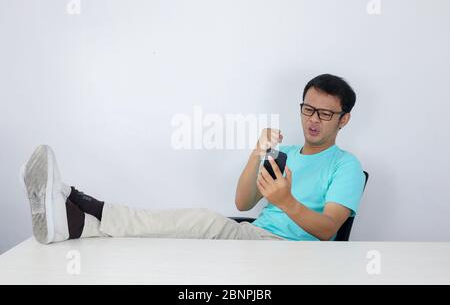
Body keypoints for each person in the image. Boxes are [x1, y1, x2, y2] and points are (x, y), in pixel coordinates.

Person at [21, 74, 366, 244]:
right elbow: (244, 203)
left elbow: (327, 231)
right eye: (308, 109)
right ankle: (80, 222)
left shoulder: (344, 165)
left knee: (199, 221)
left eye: (324, 113)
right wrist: (255, 154)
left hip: (289, 251)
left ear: (343, 119)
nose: (313, 120)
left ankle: (84, 207)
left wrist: (287, 202)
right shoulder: (285, 153)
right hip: (254, 238)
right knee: (174, 237)